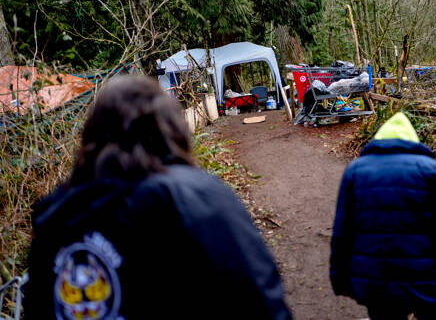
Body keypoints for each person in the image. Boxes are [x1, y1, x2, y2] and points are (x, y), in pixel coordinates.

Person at [23, 75, 292, 320]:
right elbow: (260, 301)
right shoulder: (197, 196)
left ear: (91, 137)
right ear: (170, 127)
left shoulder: (54, 221)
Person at [329, 112, 436, 320]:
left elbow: (343, 233)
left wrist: (340, 280)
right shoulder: (430, 171)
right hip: (425, 281)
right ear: (412, 141)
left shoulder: (355, 171)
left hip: (375, 284)